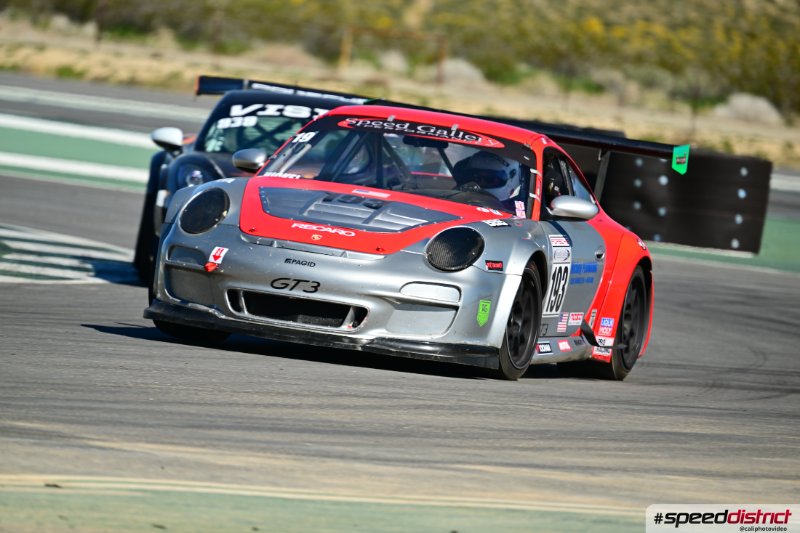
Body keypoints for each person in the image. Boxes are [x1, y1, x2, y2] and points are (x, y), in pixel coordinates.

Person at [453, 151, 521, 210]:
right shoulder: (453, 198)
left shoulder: (517, 213)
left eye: (489, 179)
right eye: (476, 177)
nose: (480, 183)